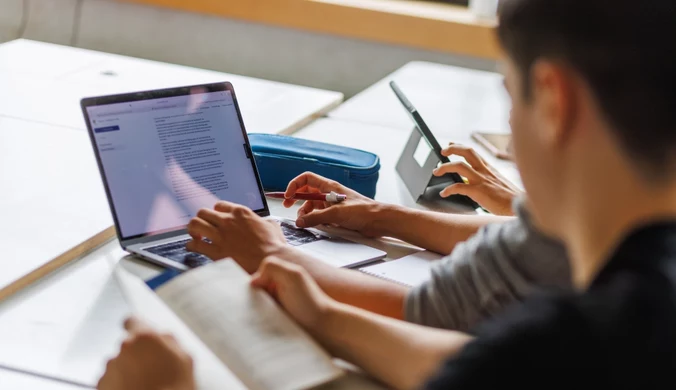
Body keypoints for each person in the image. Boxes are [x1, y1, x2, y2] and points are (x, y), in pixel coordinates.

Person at [97, 0, 676, 387]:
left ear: (552, 101)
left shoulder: (592, 341)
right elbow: (472, 362)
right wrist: (324, 314)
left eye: (511, 95)